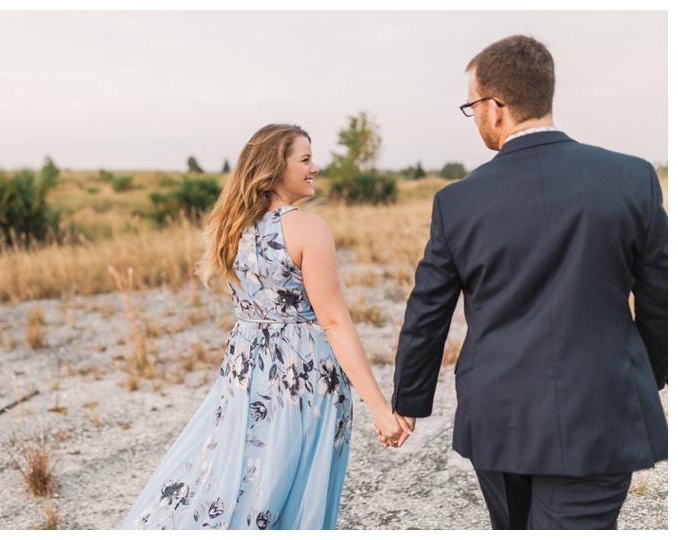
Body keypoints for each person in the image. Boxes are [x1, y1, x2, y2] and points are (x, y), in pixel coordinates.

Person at [381, 35, 667, 529]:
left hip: (499, 417)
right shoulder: (632, 179)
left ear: (495, 108)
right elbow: (662, 300)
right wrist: (643, 374)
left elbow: (428, 309)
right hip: (601, 409)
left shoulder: (458, 201)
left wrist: (408, 400)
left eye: (472, 107)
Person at [121, 124, 407, 530]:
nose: (315, 168)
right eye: (305, 159)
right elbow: (333, 321)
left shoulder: (230, 227)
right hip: (304, 378)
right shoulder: (307, 228)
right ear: (276, 167)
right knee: (294, 491)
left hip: (243, 373)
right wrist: (380, 409)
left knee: (235, 478)